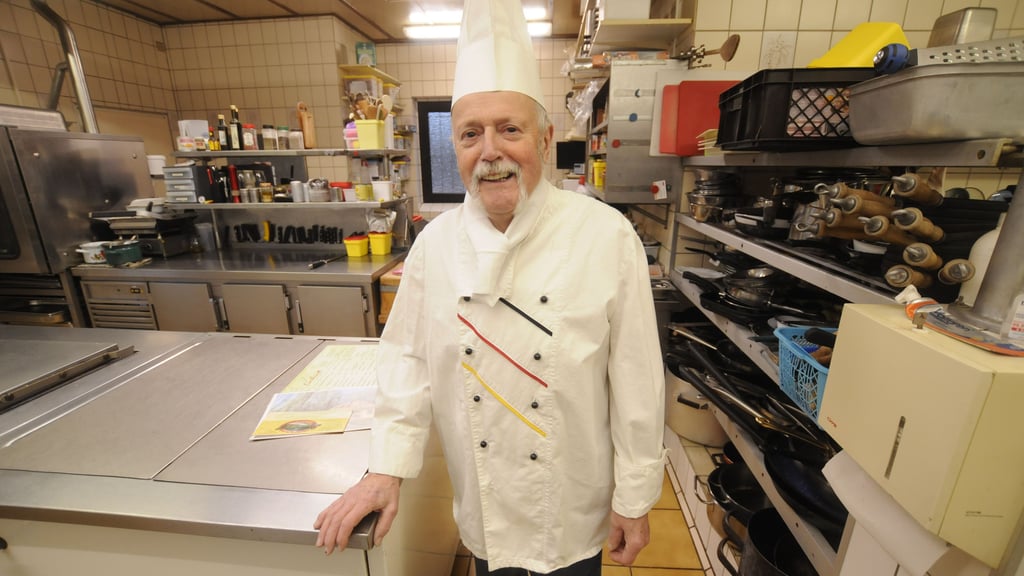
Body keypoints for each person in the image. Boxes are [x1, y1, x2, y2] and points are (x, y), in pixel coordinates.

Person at [314, 0, 666, 573]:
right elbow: (407, 361)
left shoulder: (605, 235)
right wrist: (385, 468)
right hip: (485, 503)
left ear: (545, 139)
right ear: (456, 147)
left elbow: (635, 378)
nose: (490, 151)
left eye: (510, 129)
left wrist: (635, 495)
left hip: (572, 502)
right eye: (471, 134)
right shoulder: (435, 245)